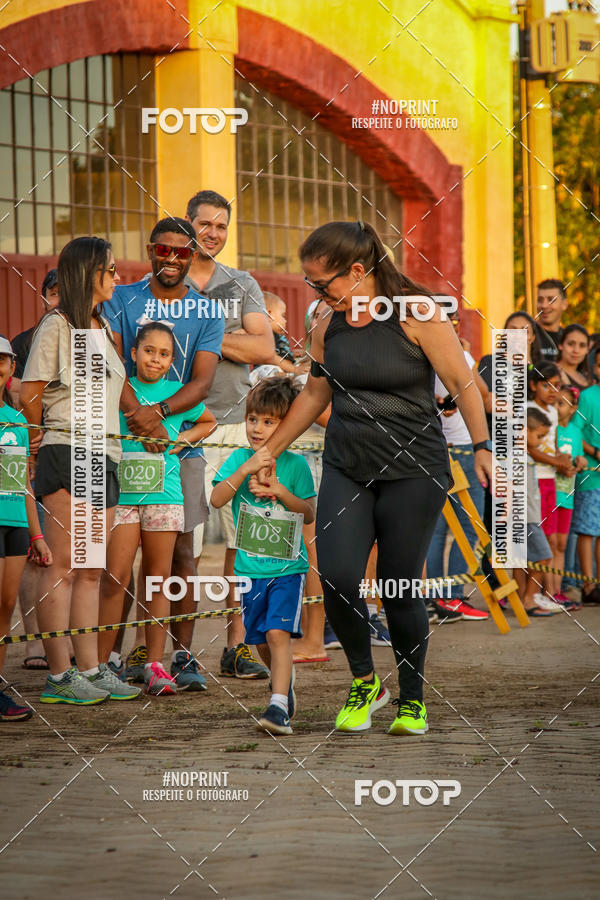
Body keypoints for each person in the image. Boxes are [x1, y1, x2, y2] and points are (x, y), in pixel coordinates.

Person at [256, 220, 492, 737]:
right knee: (338, 577)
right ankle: (366, 683)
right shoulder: (327, 321)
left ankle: (412, 698)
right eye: (311, 284)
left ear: (358, 271)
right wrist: (267, 451)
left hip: (414, 470)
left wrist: (482, 448)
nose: (316, 294)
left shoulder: (417, 312)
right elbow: (315, 393)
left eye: (322, 283)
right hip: (348, 465)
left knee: (397, 582)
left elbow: (461, 382)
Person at [102, 217, 225, 690]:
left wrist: (159, 416)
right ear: (150, 249)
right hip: (126, 444)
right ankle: (111, 659)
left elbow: (203, 382)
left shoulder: (207, 310)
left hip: (177, 445)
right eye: (163, 250)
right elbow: (111, 364)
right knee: (117, 565)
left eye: (182, 251)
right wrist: (139, 416)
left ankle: (179, 657)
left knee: (180, 558)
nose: (172, 259)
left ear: (194, 255)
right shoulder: (121, 298)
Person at [20, 237, 133, 704]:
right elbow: (30, 392)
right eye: (111, 269)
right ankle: (60, 675)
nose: (118, 277)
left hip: (105, 454)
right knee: (64, 567)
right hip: (67, 450)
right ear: (88, 273)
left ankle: (90, 668)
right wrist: (36, 436)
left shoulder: (103, 328)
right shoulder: (57, 324)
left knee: (91, 568)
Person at [184, 190, 274, 679]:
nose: (213, 233)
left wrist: (197, 335)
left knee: (242, 546)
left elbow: (263, 347)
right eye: (205, 224)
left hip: (238, 427)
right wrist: (231, 339)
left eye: (221, 226)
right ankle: (171, 653)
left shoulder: (242, 283)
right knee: (181, 545)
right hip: (180, 429)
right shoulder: (167, 280)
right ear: (188, 224)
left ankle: (235, 647)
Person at [98, 323, 216, 695]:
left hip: (165, 496)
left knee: (157, 579)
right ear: (133, 354)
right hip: (122, 498)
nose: (155, 359)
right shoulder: (119, 390)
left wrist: (180, 441)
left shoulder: (176, 394)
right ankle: (101, 666)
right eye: (149, 351)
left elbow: (208, 422)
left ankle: (155, 665)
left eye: (164, 354)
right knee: (114, 577)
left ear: (172, 361)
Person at [211, 376, 316, 735]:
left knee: (277, 633)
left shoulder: (297, 466)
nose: (257, 428)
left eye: (269, 421)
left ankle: (278, 707)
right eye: (252, 419)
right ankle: (282, 682)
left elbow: (309, 513)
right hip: (249, 570)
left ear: (288, 424)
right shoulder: (238, 459)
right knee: (259, 639)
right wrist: (245, 470)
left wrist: (281, 492)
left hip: (288, 570)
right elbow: (217, 499)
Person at [426, 307, 490, 623]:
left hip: (434, 450)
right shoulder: (458, 356)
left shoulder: (420, 355)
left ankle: (435, 598)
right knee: (469, 526)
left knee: (435, 530)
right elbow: (484, 396)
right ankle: (451, 597)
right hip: (463, 450)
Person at [0, 337, 52, 720]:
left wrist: (37, 535)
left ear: (12, 368)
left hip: (17, 523)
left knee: (5, 607)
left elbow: (24, 483)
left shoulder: (17, 421)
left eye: (2, 361)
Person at [527, 362, 576, 598]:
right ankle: (532, 594)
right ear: (533, 385)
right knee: (537, 538)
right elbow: (530, 448)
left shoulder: (553, 412)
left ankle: (549, 593)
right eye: (546, 385)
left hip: (550, 482)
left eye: (556, 386)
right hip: (532, 480)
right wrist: (557, 461)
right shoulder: (526, 409)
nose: (552, 391)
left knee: (551, 538)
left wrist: (564, 461)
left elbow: (553, 446)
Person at [514, 408, 556, 617]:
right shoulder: (516, 456)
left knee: (524, 560)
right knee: (544, 557)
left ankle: (523, 600)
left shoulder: (524, 455)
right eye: (539, 436)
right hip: (525, 518)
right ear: (524, 431)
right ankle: (529, 599)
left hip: (527, 516)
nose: (541, 441)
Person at [554, 386, 586, 608]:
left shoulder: (575, 431)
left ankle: (557, 592)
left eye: (561, 403)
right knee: (549, 544)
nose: (556, 407)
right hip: (550, 493)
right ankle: (546, 591)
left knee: (562, 545)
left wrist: (581, 462)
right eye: (555, 402)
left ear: (573, 408)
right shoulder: (550, 427)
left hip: (567, 494)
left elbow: (579, 458)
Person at [570, 379, 600, 604]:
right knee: (588, 532)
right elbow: (575, 431)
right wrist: (596, 453)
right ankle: (588, 587)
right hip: (591, 476)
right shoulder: (588, 396)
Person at [536, 279, 568, 362]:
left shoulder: (568, 338)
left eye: (551, 300)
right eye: (540, 300)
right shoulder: (525, 334)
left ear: (564, 304)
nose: (544, 305)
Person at [557, 324, 591, 389]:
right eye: (570, 344)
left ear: (587, 349)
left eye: (582, 345)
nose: (576, 350)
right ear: (560, 345)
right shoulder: (552, 373)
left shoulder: (587, 378)